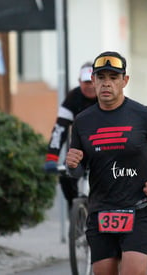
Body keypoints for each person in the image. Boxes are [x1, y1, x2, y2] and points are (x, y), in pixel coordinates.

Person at [66, 51, 147, 275]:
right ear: (93, 81)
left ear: (124, 81)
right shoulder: (82, 122)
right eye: (101, 78)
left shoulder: (144, 116)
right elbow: (78, 172)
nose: (106, 83)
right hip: (100, 213)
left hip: (137, 211)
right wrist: (72, 165)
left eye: (113, 77)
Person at [44, 61, 97, 209]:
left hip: (103, 150)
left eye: (92, 81)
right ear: (79, 82)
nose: (90, 86)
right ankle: (74, 210)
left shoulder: (106, 96)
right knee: (66, 177)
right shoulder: (73, 98)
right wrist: (51, 157)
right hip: (78, 150)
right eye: (85, 82)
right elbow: (60, 129)